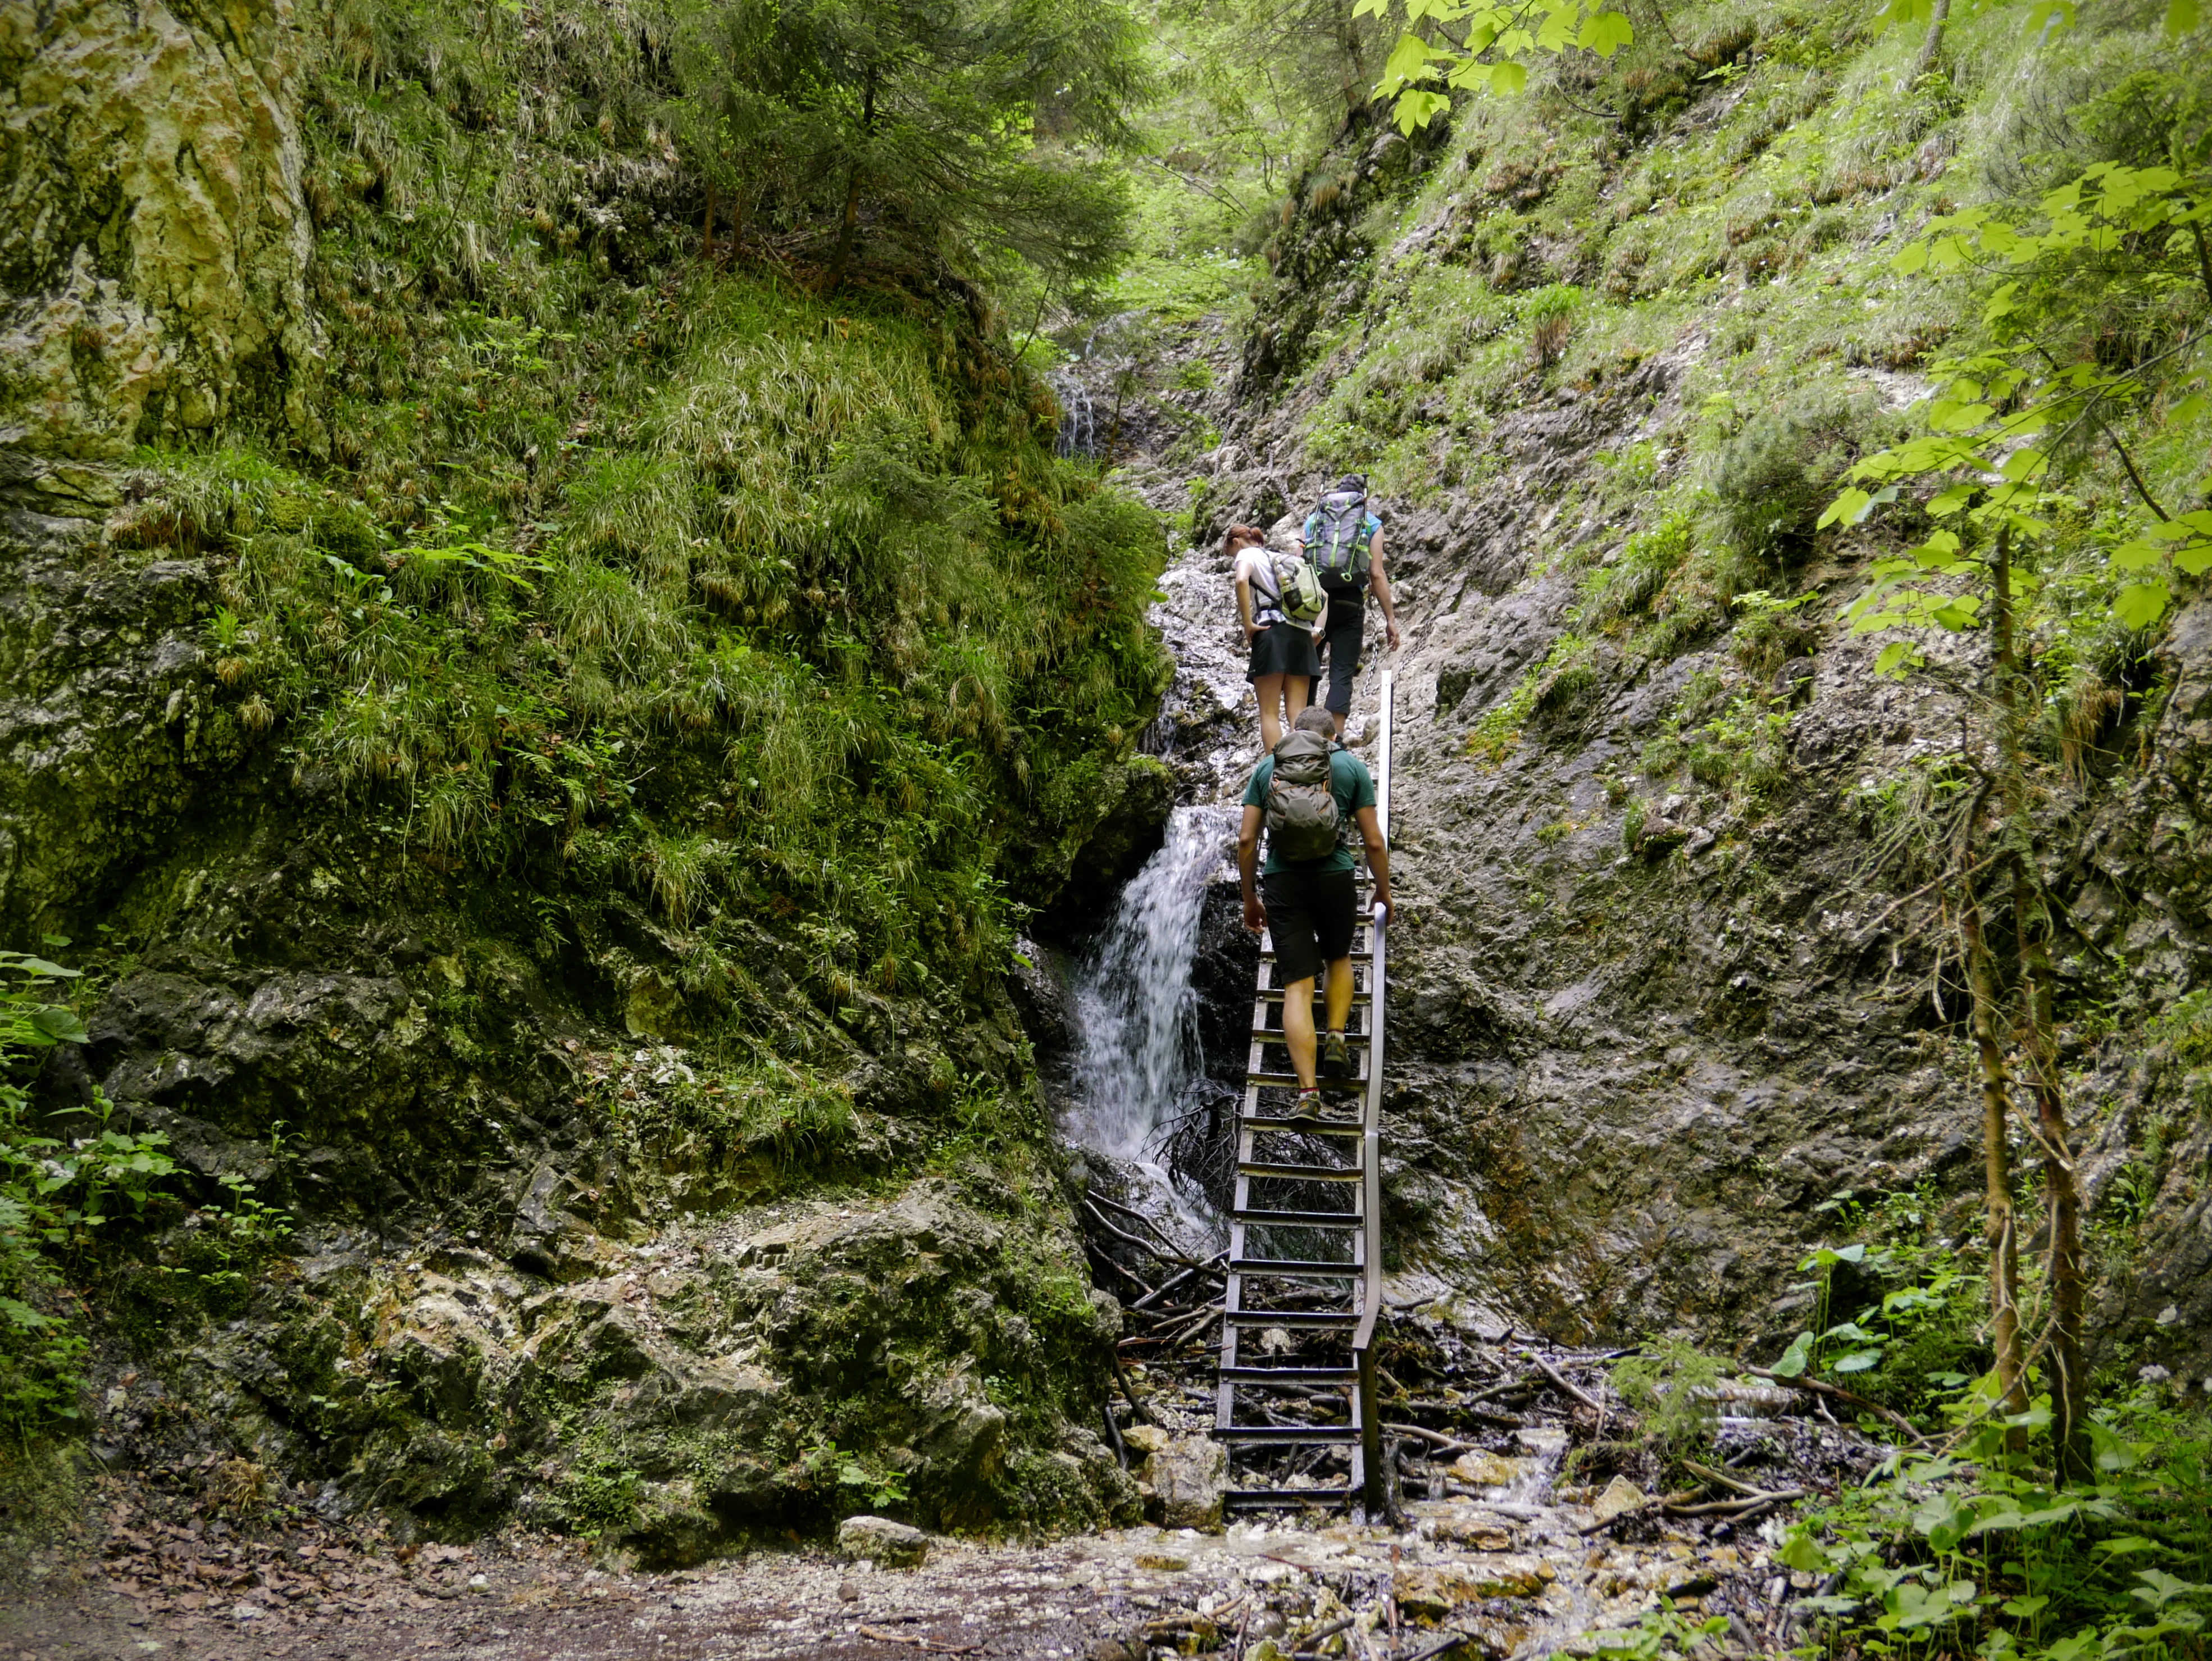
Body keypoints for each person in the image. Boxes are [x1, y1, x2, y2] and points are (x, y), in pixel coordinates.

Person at [1236, 705, 1391, 1125]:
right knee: (1338, 956)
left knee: (1296, 987)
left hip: (1284, 881)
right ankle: (1337, 1035)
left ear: (1294, 736)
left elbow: (1248, 838)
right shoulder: (1352, 768)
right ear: (1334, 736)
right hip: (1336, 875)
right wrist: (1383, 889)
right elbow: (1374, 842)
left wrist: (1250, 897)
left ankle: (1308, 1093)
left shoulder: (1268, 768)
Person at [1289, 475, 1401, 739]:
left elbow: (1298, 563)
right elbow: (1376, 574)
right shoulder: (1370, 523)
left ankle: (1304, 735)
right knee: (1342, 672)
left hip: (1315, 603)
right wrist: (1391, 620)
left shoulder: (1315, 518)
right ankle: (1335, 738)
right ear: (1363, 497)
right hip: (1350, 602)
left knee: (1309, 670)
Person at [1228, 524, 1326, 752]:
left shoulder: (1245, 554)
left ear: (1236, 542)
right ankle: (1303, 768)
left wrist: (1248, 624)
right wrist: (1317, 631)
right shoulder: (1281, 558)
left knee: (1270, 713)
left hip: (1271, 633)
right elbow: (1323, 595)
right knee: (1299, 715)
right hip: (1301, 635)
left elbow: (1242, 581)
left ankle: (1278, 775)